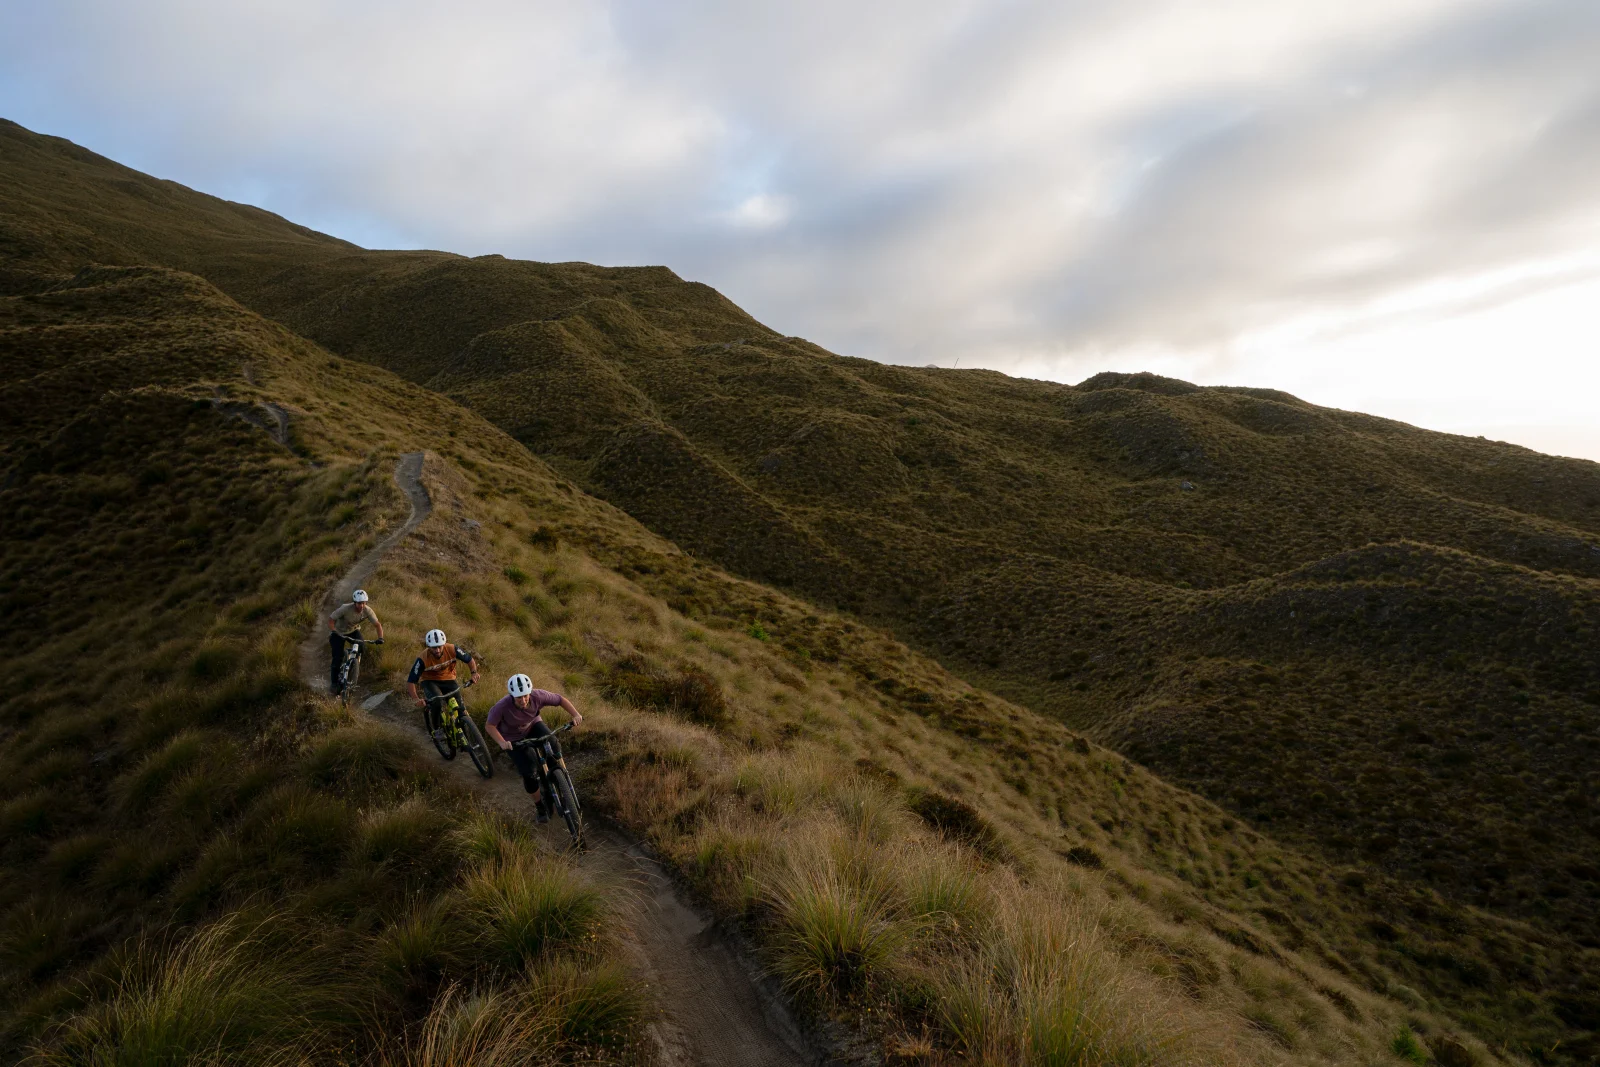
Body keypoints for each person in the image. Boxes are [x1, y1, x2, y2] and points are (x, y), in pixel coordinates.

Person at [486, 673, 583, 823]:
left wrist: (576, 715)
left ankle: (559, 779)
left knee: (553, 742)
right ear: (512, 696)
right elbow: (490, 726)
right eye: (519, 697)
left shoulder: (538, 696)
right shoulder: (502, 707)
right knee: (529, 772)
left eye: (526, 696)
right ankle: (540, 806)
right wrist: (502, 742)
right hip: (512, 738)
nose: (523, 700)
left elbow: (560, 700)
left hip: (533, 725)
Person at [407, 628, 481, 737]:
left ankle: (465, 734)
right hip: (429, 681)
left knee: (460, 708)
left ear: (444, 644)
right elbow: (411, 681)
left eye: (439, 646)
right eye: (433, 647)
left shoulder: (452, 649)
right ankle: (437, 729)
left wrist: (474, 673)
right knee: (437, 701)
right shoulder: (422, 659)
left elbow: (469, 660)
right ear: (428, 647)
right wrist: (416, 699)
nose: (437, 650)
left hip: (449, 678)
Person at [327, 589, 384, 693]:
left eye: (363, 603)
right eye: (359, 603)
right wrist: (334, 631)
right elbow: (331, 620)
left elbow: (377, 625)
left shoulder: (368, 610)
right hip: (339, 632)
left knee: (362, 647)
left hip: (353, 631)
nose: (361, 605)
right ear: (354, 603)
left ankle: (354, 668)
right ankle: (334, 683)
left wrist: (380, 638)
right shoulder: (345, 608)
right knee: (337, 657)